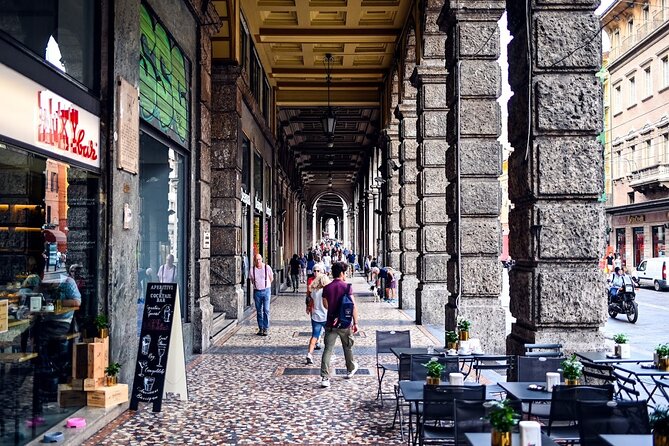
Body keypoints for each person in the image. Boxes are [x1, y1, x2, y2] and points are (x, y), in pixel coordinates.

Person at [320, 261, 359, 388]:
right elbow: (353, 306)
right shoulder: (347, 287)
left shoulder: (327, 288)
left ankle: (325, 378)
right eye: (345, 273)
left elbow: (325, 305)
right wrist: (356, 322)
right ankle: (350, 369)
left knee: (328, 349)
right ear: (342, 273)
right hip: (345, 323)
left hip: (331, 323)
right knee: (347, 347)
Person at [305, 264, 330, 365]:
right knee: (328, 336)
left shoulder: (313, 291)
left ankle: (309, 354)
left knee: (314, 336)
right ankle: (329, 354)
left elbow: (310, 301)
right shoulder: (326, 291)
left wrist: (308, 308)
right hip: (325, 316)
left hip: (315, 316)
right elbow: (327, 304)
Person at [250, 254, 273, 336]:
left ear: (262, 259)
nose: (258, 261)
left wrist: (266, 285)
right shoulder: (252, 270)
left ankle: (266, 328)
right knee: (259, 311)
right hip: (257, 292)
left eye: (259, 259)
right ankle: (261, 328)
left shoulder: (267, 267)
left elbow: (271, 278)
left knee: (266, 310)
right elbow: (252, 280)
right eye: (256, 260)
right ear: (254, 261)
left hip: (266, 291)